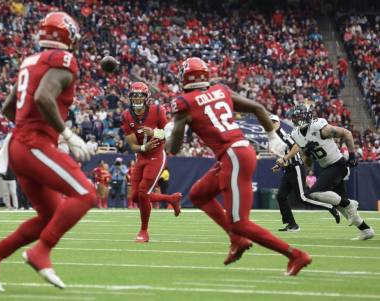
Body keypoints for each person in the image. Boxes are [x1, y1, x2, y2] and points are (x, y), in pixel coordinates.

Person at [0, 12, 96, 292]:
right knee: (86, 193)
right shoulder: (63, 61)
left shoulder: (31, 62)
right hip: (33, 144)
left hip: (20, 144)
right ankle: (42, 251)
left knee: (50, 215)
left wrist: (28, 126)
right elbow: (42, 97)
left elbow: (7, 106)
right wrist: (66, 133)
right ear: (69, 36)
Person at [166, 57, 311, 276]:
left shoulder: (184, 103)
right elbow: (258, 107)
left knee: (239, 222)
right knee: (198, 195)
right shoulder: (221, 90)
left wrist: (169, 133)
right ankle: (237, 241)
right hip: (238, 152)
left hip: (233, 155)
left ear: (184, 77)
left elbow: (174, 148)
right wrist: (272, 137)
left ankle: (295, 254)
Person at [282, 104, 375, 240]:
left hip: (337, 164)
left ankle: (349, 203)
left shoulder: (319, 127)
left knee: (314, 194)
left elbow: (346, 133)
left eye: (300, 116)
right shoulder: (296, 135)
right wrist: (307, 153)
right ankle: (366, 230)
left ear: (308, 116)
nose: (298, 119)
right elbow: (308, 163)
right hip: (326, 167)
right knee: (342, 208)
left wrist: (352, 155)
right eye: (296, 117)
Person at [121, 82, 182, 242]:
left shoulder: (157, 110)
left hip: (156, 155)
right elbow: (133, 145)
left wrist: (155, 132)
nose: (137, 99)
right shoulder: (127, 115)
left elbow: (170, 134)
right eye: (134, 96)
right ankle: (171, 199)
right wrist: (143, 147)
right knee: (135, 196)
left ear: (146, 98)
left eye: (140, 96)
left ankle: (143, 231)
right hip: (141, 156)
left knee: (143, 192)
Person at [270, 114, 340, 232]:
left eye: (273, 122)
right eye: (269, 122)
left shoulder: (281, 133)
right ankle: (292, 224)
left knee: (302, 198)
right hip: (288, 169)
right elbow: (284, 153)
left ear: (278, 123)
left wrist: (284, 159)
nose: (271, 124)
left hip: (296, 167)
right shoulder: (275, 136)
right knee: (281, 196)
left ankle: (330, 207)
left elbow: (296, 147)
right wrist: (280, 164)